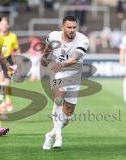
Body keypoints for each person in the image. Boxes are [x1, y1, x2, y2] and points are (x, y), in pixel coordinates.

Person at [41, 16, 89, 150]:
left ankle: (50, 135)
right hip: (59, 74)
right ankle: (58, 138)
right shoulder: (53, 36)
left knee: (67, 118)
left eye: (74, 27)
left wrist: (60, 64)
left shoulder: (83, 40)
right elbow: (48, 47)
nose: (72, 30)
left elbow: (75, 59)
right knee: (58, 100)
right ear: (62, 27)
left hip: (74, 77)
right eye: (69, 27)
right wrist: (44, 58)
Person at [0, 17, 20, 112]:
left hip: (9, 60)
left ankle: (7, 100)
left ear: (8, 25)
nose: (4, 26)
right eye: (2, 24)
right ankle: (3, 102)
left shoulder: (13, 36)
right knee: (1, 81)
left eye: (5, 24)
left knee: (7, 83)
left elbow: (17, 49)